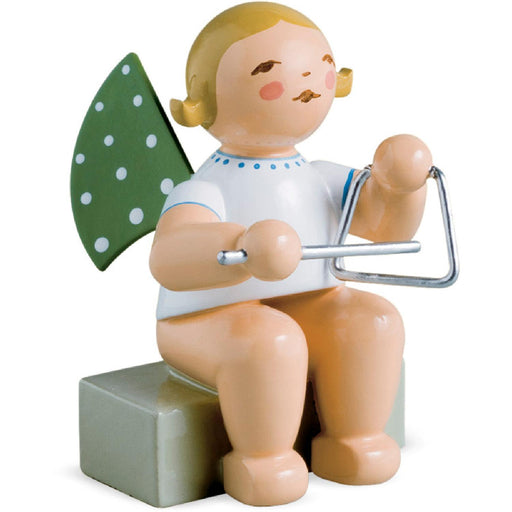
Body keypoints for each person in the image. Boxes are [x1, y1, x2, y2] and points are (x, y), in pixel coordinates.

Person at [149, 2, 431, 506]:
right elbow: (169, 258)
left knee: (373, 321)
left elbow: (384, 226)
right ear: (203, 102)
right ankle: (262, 458)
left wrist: (401, 185)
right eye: (267, 70)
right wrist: (240, 247)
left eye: (320, 67)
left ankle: (354, 440)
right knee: (269, 341)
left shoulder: (316, 175)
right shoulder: (205, 188)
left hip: (308, 303)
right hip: (202, 318)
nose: (306, 81)